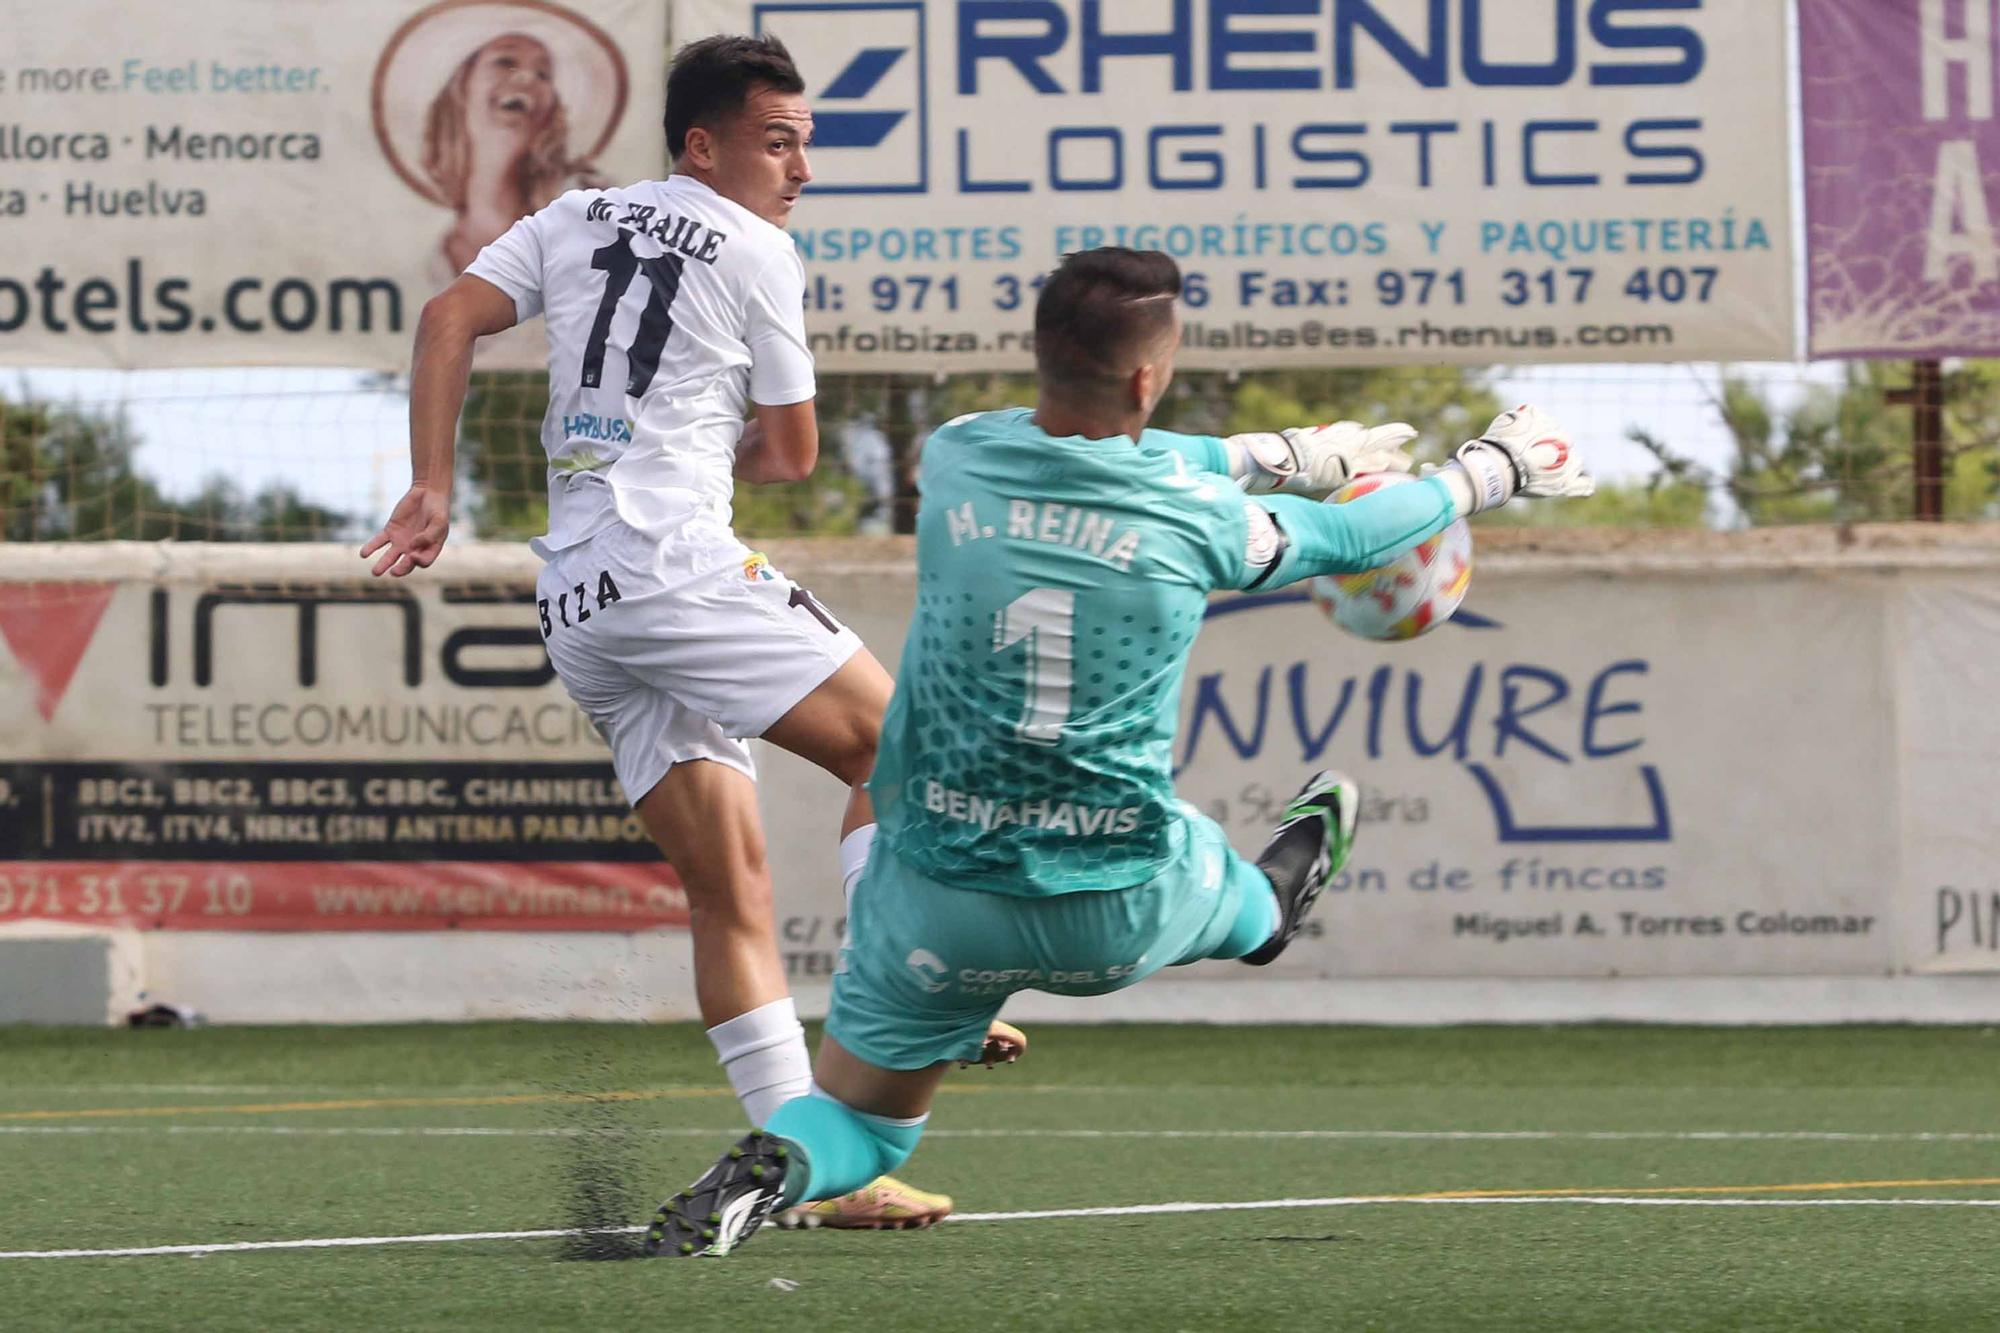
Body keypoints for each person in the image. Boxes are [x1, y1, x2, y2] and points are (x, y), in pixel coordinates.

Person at [642, 247, 1595, 1258]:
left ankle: (770, 1168)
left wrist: (1277, 449)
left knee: (866, 1125)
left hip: (935, 897)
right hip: (1115, 897)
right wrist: (1489, 471)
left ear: (1044, 354)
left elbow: (1110, 455)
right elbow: (1352, 537)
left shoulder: (958, 456)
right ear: (1148, 377)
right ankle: (1273, 890)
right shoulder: (1196, 521)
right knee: (1258, 916)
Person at [363, 32, 992, 1231]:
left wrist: (431, 485)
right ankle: (903, 995)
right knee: (904, 749)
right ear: (701, 146)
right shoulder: (759, 247)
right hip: (672, 563)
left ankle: (815, 1174)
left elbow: (448, 317)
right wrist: (722, 451)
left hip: (580, 602)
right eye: (776, 141)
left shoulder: (572, 213)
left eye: (805, 143)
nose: (798, 166)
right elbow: (797, 453)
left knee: (731, 889)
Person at [423, 32, 608, 275]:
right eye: (505, 62)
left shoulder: (585, 220)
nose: (526, 77)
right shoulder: (433, 260)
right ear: (462, 88)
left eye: (543, 74)